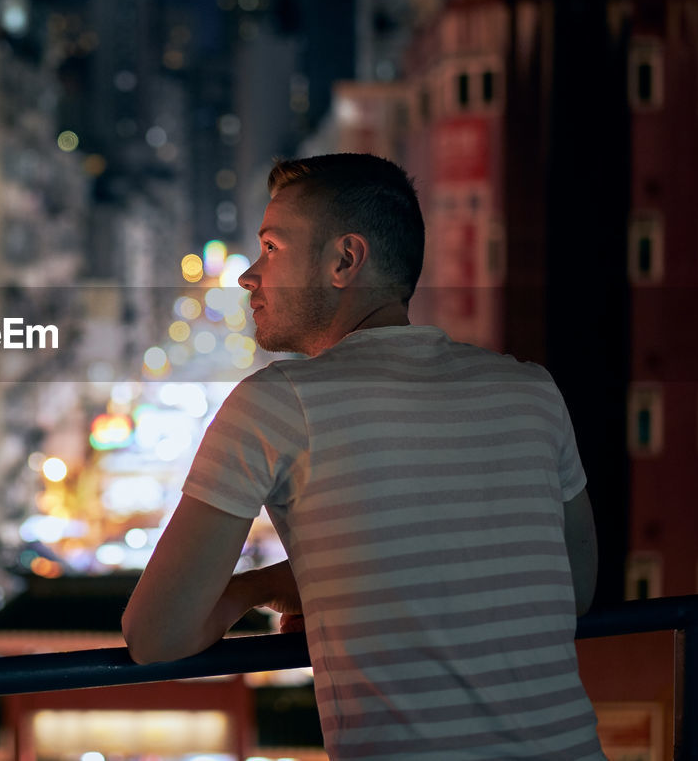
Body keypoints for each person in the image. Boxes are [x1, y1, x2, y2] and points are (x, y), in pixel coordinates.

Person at [122, 153, 605, 760]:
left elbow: (155, 634)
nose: (250, 276)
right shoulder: (532, 390)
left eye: (271, 248)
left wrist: (256, 590)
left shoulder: (279, 404)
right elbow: (576, 587)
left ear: (344, 260)